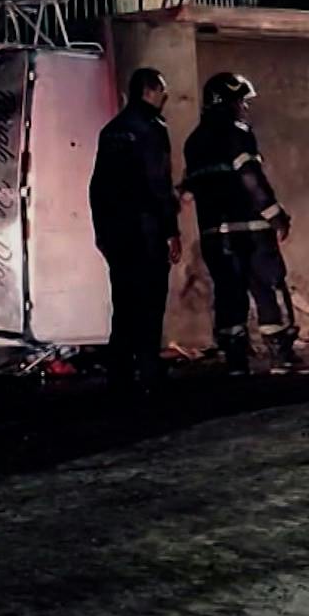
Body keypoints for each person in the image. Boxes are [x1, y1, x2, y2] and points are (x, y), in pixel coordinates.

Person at [181, 72, 308, 376]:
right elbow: (251, 177)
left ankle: (236, 360)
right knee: (269, 288)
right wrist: (275, 215)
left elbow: (191, 187)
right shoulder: (238, 133)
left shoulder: (194, 142)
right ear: (228, 102)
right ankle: (282, 355)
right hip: (250, 231)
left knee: (228, 293)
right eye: (241, 101)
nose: (244, 108)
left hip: (215, 235)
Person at [89, 68, 183, 394]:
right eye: (162, 91)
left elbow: (97, 187)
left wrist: (101, 231)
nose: (165, 97)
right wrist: (171, 230)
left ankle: (120, 374)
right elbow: (157, 184)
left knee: (124, 302)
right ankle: (149, 372)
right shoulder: (152, 128)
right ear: (150, 91)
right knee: (150, 301)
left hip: (117, 234)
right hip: (147, 232)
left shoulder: (111, 130)